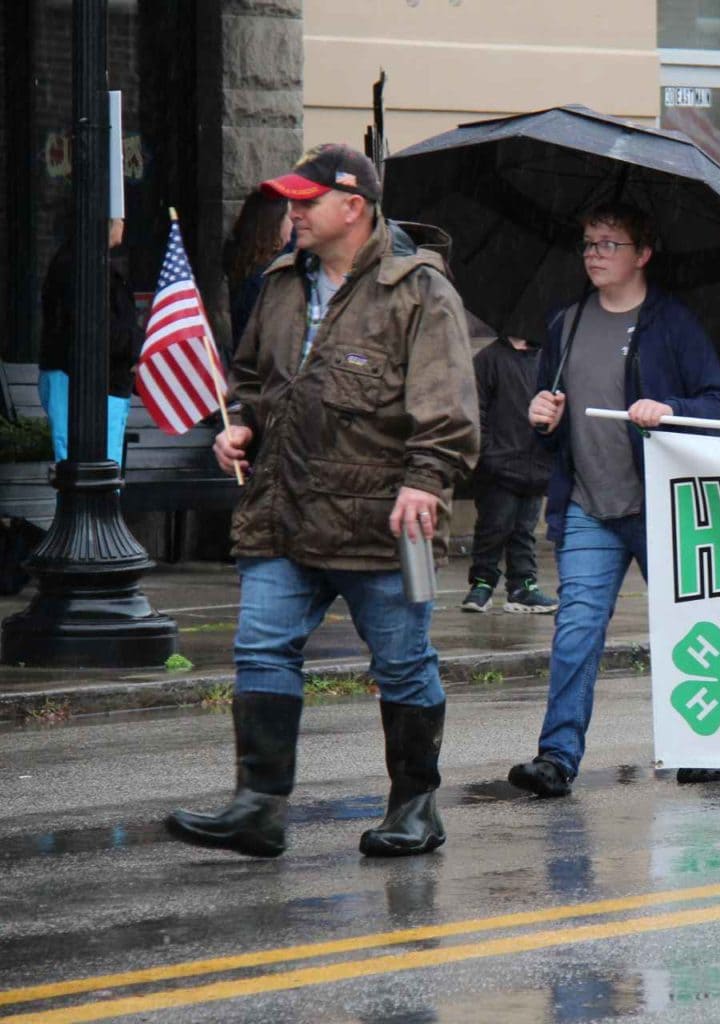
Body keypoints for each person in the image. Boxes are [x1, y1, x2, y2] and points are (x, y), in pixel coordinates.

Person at [164, 144, 479, 858]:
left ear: (353, 207)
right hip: (282, 509)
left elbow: (450, 410)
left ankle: (415, 806)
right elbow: (250, 377)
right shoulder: (280, 281)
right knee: (261, 648)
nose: (293, 213)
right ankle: (259, 807)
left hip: (382, 521)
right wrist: (238, 424)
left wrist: (425, 482)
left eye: (307, 202)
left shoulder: (421, 290)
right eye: (291, 202)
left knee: (401, 664)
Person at [506, 200, 720, 798]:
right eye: (588, 243)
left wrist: (671, 410)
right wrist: (542, 416)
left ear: (643, 254)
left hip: (660, 507)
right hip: (587, 504)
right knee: (576, 628)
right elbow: (549, 410)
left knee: (690, 628)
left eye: (609, 244)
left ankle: (708, 749)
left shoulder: (673, 323)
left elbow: (717, 406)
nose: (595, 255)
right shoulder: (568, 322)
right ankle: (556, 758)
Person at [462, 333, 558, 614]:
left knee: (524, 529)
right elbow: (475, 410)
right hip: (498, 465)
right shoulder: (489, 358)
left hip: (536, 464)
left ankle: (523, 585)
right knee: (494, 525)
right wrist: (488, 454)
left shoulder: (549, 360)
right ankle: (482, 583)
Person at [37, 217, 140, 465]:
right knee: (89, 469)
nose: (124, 222)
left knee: (91, 470)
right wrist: (137, 346)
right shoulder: (81, 265)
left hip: (97, 382)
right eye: (119, 217)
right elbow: (99, 329)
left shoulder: (85, 262)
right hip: (87, 384)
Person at [223, 188, 292, 361]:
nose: (294, 223)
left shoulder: (244, 262)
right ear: (275, 224)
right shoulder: (264, 279)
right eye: (289, 217)